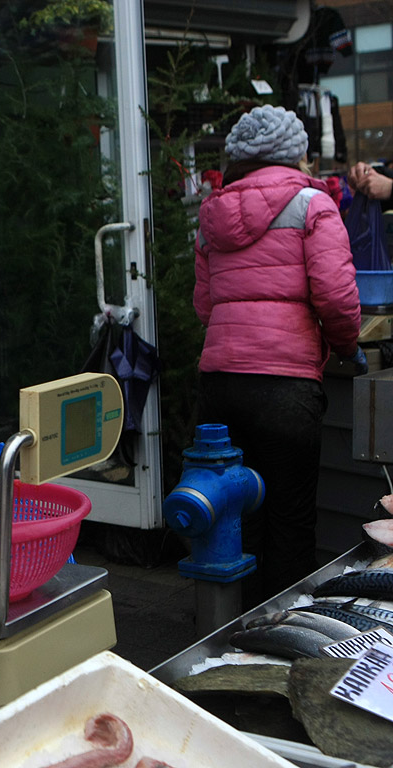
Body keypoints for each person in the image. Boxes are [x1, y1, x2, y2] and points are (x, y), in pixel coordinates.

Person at [193, 105, 363, 608]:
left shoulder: (212, 213)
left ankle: (222, 640)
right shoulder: (313, 204)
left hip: (220, 385)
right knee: (289, 521)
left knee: (233, 518)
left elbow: (205, 306)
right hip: (285, 388)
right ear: (295, 155)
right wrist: (348, 347)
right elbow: (336, 296)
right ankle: (278, 648)